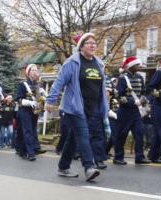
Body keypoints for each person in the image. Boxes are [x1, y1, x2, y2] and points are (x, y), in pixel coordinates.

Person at [46, 32, 108, 181]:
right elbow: (59, 82)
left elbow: (102, 86)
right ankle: (89, 168)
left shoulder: (99, 63)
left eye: (94, 43)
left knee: (74, 138)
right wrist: (51, 100)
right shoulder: (72, 62)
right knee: (83, 136)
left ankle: (63, 166)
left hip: (91, 108)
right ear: (81, 46)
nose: (93, 45)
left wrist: (104, 106)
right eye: (89, 43)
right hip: (74, 108)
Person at [113, 56, 150, 165]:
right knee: (122, 134)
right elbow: (119, 96)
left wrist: (143, 99)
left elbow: (143, 91)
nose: (139, 66)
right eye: (137, 65)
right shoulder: (123, 78)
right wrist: (131, 101)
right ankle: (118, 157)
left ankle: (139, 157)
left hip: (136, 112)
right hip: (125, 111)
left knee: (139, 132)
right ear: (131, 66)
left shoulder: (140, 77)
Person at [16, 64, 46, 161]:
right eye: (33, 70)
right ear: (28, 72)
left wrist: (43, 97)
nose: (35, 71)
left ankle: (23, 151)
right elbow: (19, 100)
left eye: (36, 70)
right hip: (24, 110)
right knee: (28, 131)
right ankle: (31, 153)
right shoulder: (22, 84)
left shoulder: (37, 85)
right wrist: (30, 102)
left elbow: (39, 98)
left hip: (34, 111)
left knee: (32, 130)